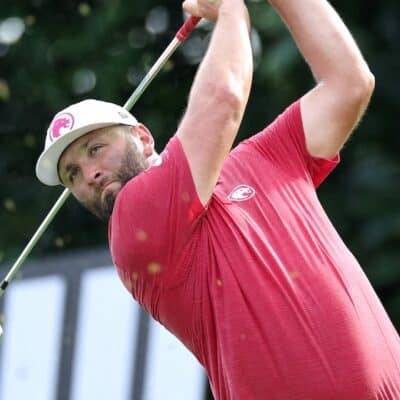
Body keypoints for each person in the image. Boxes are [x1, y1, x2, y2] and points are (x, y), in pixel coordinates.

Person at [36, 0, 400, 398]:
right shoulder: (133, 225)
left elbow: (348, 83)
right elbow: (223, 99)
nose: (89, 174)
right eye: (72, 174)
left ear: (142, 137)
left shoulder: (260, 158)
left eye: (95, 149)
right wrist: (231, 11)